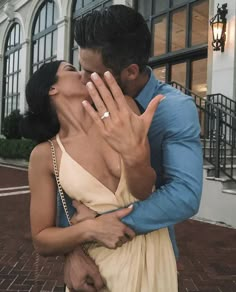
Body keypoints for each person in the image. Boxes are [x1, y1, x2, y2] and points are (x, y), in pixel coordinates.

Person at [59, 4, 203, 291]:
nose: (82, 82)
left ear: (131, 72)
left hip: (149, 258)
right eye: (80, 68)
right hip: (89, 260)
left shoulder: (173, 109)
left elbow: (185, 195)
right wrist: (71, 249)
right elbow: (64, 176)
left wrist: (99, 226)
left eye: (91, 73)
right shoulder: (83, 101)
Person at [21, 60, 178, 292]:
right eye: (71, 70)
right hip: (101, 269)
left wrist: (136, 157)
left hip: (155, 252)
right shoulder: (45, 155)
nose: (84, 73)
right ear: (52, 89)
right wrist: (90, 229)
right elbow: (41, 239)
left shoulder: (120, 109)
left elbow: (144, 190)